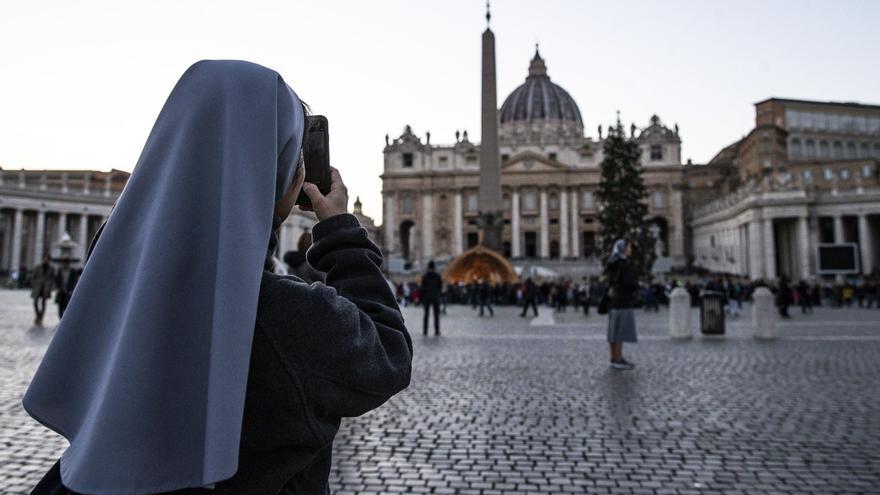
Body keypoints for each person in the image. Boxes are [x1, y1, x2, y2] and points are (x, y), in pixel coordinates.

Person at [25, 60, 412, 495]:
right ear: (277, 169)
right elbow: (388, 355)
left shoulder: (115, 284)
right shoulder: (286, 316)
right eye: (295, 157)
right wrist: (340, 231)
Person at [605, 239, 639, 370]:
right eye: (629, 247)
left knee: (614, 332)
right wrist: (636, 286)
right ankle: (618, 359)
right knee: (620, 332)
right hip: (623, 301)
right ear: (623, 249)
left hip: (614, 301)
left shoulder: (613, 262)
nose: (630, 249)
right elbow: (628, 283)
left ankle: (614, 357)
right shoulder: (623, 264)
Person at [30, 254, 54, 326]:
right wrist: (34, 284)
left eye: (47, 259)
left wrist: (50, 287)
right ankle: (38, 316)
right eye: (45, 258)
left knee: (43, 303)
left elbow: (52, 278)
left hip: (45, 288)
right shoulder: (38, 267)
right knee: (35, 302)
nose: (46, 260)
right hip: (38, 287)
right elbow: (33, 276)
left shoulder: (51, 268)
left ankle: (40, 318)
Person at [420, 260, 442, 336]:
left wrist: (422, 298)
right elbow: (440, 287)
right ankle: (437, 330)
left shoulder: (425, 276)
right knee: (436, 315)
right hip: (435, 297)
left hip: (426, 298)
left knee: (426, 315)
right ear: (434, 267)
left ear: (428, 267)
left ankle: (425, 331)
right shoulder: (438, 276)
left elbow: (422, 288)